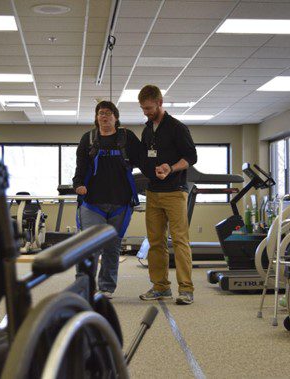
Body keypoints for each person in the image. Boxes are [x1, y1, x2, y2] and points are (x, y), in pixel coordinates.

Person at [73, 100, 142, 299]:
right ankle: (84, 287)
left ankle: (107, 288)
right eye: (101, 113)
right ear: (96, 118)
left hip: (120, 202)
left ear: (116, 117)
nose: (104, 116)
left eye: (108, 113)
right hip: (92, 202)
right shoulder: (88, 138)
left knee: (112, 247)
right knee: (89, 248)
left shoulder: (126, 137)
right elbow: (80, 167)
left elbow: (143, 160)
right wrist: (78, 185)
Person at [137, 85, 197, 305]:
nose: (146, 112)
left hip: (174, 192)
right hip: (153, 193)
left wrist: (170, 168)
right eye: (143, 109)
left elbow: (191, 157)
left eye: (149, 108)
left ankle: (186, 289)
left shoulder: (177, 128)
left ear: (160, 102)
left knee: (180, 240)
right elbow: (145, 157)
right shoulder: (147, 130)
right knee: (155, 242)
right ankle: (161, 287)